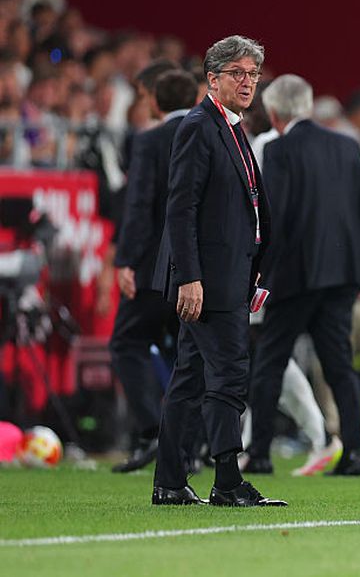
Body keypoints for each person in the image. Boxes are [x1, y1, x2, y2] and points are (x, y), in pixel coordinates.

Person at [150, 35, 284, 508]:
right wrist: (190, 276)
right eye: (238, 74)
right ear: (213, 79)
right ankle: (227, 481)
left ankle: (169, 482)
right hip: (208, 281)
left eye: (253, 74)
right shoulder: (198, 126)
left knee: (189, 380)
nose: (248, 82)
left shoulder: (230, 127)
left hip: (227, 276)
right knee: (229, 375)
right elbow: (180, 208)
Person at [246, 74, 360, 476]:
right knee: (339, 365)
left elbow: (274, 217)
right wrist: (357, 277)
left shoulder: (279, 150)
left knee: (269, 362)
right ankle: (353, 451)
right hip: (340, 278)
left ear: (274, 112)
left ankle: (261, 453)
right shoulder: (347, 145)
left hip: (294, 276)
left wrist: (261, 271)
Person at [110, 69, 197, 473]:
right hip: (197, 269)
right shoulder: (210, 134)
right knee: (190, 352)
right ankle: (191, 444)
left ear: (155, 103)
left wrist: (126, 260)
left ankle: (151, 432)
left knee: (127, 343)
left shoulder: (148, 141)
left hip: (151, 270)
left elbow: (140, 206)